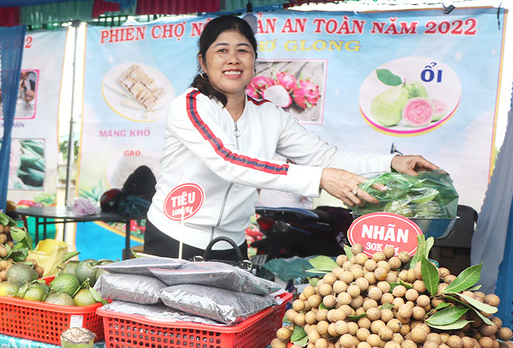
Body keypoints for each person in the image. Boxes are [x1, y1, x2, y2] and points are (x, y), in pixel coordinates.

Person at [144, 15, 438, 261]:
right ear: (203, 62)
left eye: (243, 51)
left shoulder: (269, 115)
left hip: (232, 245)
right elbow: (228, 161)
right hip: (176, 238)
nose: (233, 59)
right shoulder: (190, 106)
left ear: (254, 61)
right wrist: (320, 178)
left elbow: (327, 157)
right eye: (222, 50)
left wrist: (392, 162)